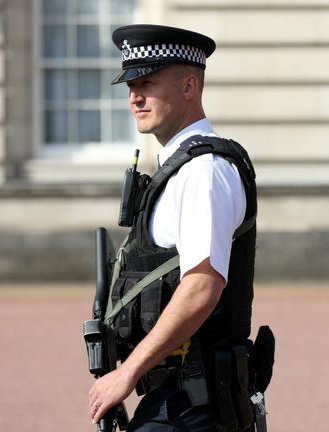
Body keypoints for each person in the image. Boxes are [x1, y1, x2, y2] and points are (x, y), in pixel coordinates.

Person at [88, 24, 259, 431]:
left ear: (188, 86)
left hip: (190, 404)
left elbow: (202, 286)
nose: (134, 97)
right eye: (130, 85)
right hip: (175, 399)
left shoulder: (204, 172)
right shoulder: (179, 167)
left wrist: (129, 371)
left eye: (147, 82)